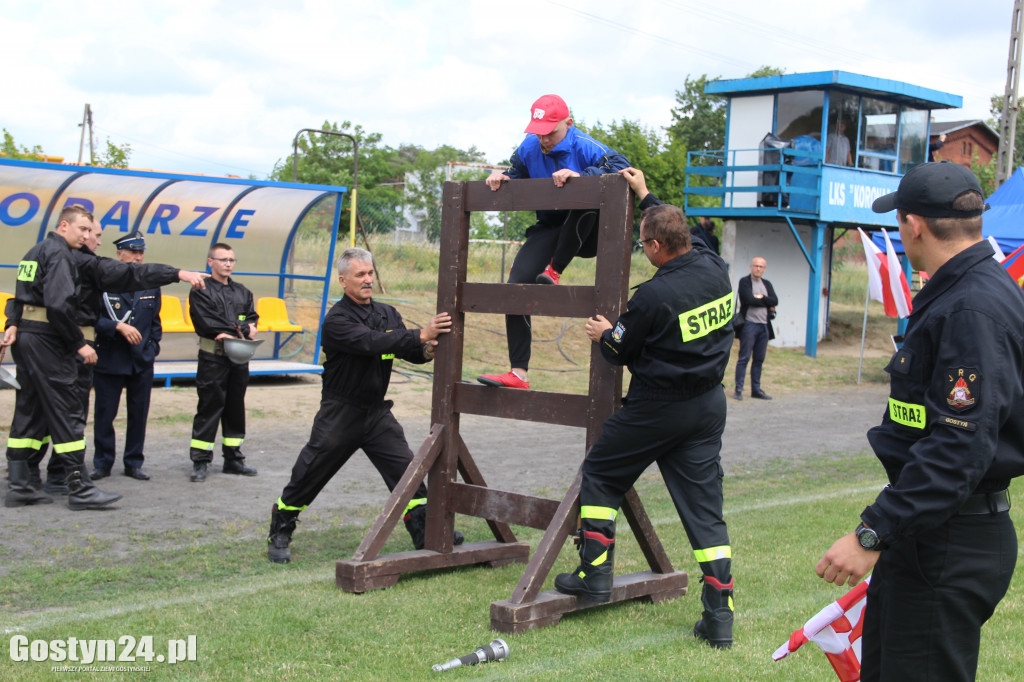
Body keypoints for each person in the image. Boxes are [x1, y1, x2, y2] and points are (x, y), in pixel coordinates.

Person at [815, 162, 1024, 681]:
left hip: (952, 539)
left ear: (914, 225)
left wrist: (873, 534)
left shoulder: (970, 307)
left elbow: (958, 449)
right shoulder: (967, 291)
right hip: (933, 532)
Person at [553, 167, 737, 649]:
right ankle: (720, 617)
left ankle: (595, 574)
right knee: (705, 514)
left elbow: (619, 349)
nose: (642, 249)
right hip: (708, 407)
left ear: (656, 247)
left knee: (602, 473)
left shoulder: (654, 295)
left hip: (658, 408)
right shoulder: (714, 265)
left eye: (643, 243)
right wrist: (644, 193)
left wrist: (603, 333)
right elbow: (684, 230)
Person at [267, 248, 463, 562]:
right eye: (360, 275)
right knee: (308, 475)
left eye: (370, 273)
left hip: (376, 414)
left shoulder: (386, 313)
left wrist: (428, 348)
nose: (368, 280)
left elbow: (408, 350)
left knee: (407, 470)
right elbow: (370, 342)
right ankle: (281, 528)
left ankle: (423, 531)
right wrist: (419, 333)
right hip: (340, 414)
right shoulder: (337, 320)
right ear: (343, 281)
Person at [8, 216, 208, 505]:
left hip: (32, 337)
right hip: (54, 341)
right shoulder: (65, 256)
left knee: (31, 410)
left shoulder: (35, 252)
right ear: (64, 226)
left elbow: (21, 296)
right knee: (68, 411)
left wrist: (12, 324)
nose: (95, 238)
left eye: (94, 232)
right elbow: (60, 304)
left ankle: (21, 484)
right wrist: (79, 343)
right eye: (88, 231)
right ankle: (77, 486)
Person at [477, 94, 630, 390]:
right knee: (516, 286)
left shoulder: (586, 146)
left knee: (583, 191)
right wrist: (502, 177)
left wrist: (584, 175)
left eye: (550, 132)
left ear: (568, 124)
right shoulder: (529, 148)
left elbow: (623, 168)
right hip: (550, 226)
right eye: (539, 131)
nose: (544, 139)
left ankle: (554, 271)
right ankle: (518, 373)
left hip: (590, 232)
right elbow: (518, 173)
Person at [92, 231, 163, 481]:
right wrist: (117, 327)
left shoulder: (150, 284)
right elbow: (91, 319)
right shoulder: (103, 282)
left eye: (141, 252)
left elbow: (154, 322)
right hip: (110, 358)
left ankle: (133, 462)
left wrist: (153, 348)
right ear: (119, 253)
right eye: (133, 251)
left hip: (141, 361)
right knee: (105, 414)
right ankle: (102, 462)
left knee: (138, 414)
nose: (138, 257)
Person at [187, 243, 259, 482]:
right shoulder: (201, 290)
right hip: (213, 358)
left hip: (238, 358)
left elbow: (251, 319)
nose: (228, 264)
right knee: (209, 406)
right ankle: (200, 460)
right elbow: (207, 323)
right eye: (223, 259)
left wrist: (243, 328)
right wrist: (239, 329)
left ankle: (233, 459)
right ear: (210, 262)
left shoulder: (242, 292)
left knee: (235, 408)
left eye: (231, 260)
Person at [733, 257, 777, 401]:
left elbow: (775, 300)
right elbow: (748, 299)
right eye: (756, 266)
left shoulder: (767, 283)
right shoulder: (744, 282)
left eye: (761, 266)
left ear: (764, 269)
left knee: (759, 359)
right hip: (749, 325)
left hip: (764, 325)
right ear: (751, 266)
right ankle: (738, 389)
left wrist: (761, 297)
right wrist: (765, 300)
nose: (758, 268)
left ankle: (756, 390)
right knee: (744, 358)